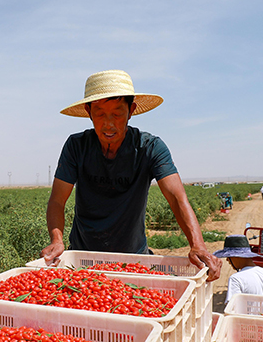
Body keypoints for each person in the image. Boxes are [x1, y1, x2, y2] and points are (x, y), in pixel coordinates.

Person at [40, 70, 221, 282]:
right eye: (99, 114)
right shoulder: (76, 147)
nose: (108, 123)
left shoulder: (150, 148)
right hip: (83, 259)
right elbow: (57, 200)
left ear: (131, 110)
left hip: (134, 259)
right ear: (88, 112)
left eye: (117, 113)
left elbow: (176, 198)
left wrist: (197, 245)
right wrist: (56, 239)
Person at [213, 234, 263, 306]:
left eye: (229, 257)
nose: (227, 260)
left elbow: (232, 307)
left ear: (236, 256)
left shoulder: (236, 279)